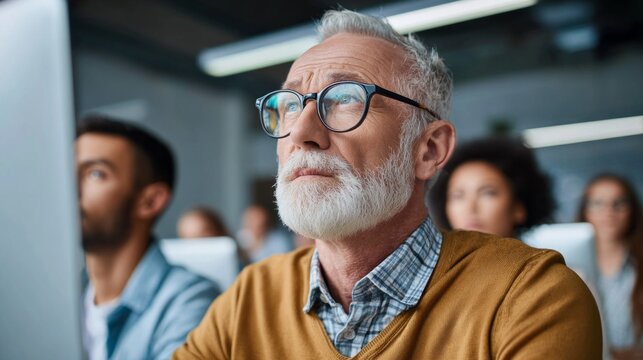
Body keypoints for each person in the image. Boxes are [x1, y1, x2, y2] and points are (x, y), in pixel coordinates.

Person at [173, 10, 601, 359]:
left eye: (343, 99)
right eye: (288, 105)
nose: (302, 131)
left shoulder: (530, 297)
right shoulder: (250, 296)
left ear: (429, 150)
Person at [76, 115, 219, 360]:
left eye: (96, 174)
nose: (71, 187)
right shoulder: (62, 293)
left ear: (150, 201)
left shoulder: (189, 301)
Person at [429, 136, 554, 238]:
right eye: (458, 196)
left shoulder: (543, 268)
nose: (470, 208)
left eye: (487, 193)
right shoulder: (441, 267)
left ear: (518, 207)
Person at [578, 173, 643, 358]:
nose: (609, 211)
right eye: (598, 203)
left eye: (619, 203)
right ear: (585, 211)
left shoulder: (638, 266)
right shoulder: (569, 267)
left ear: (632, 211)